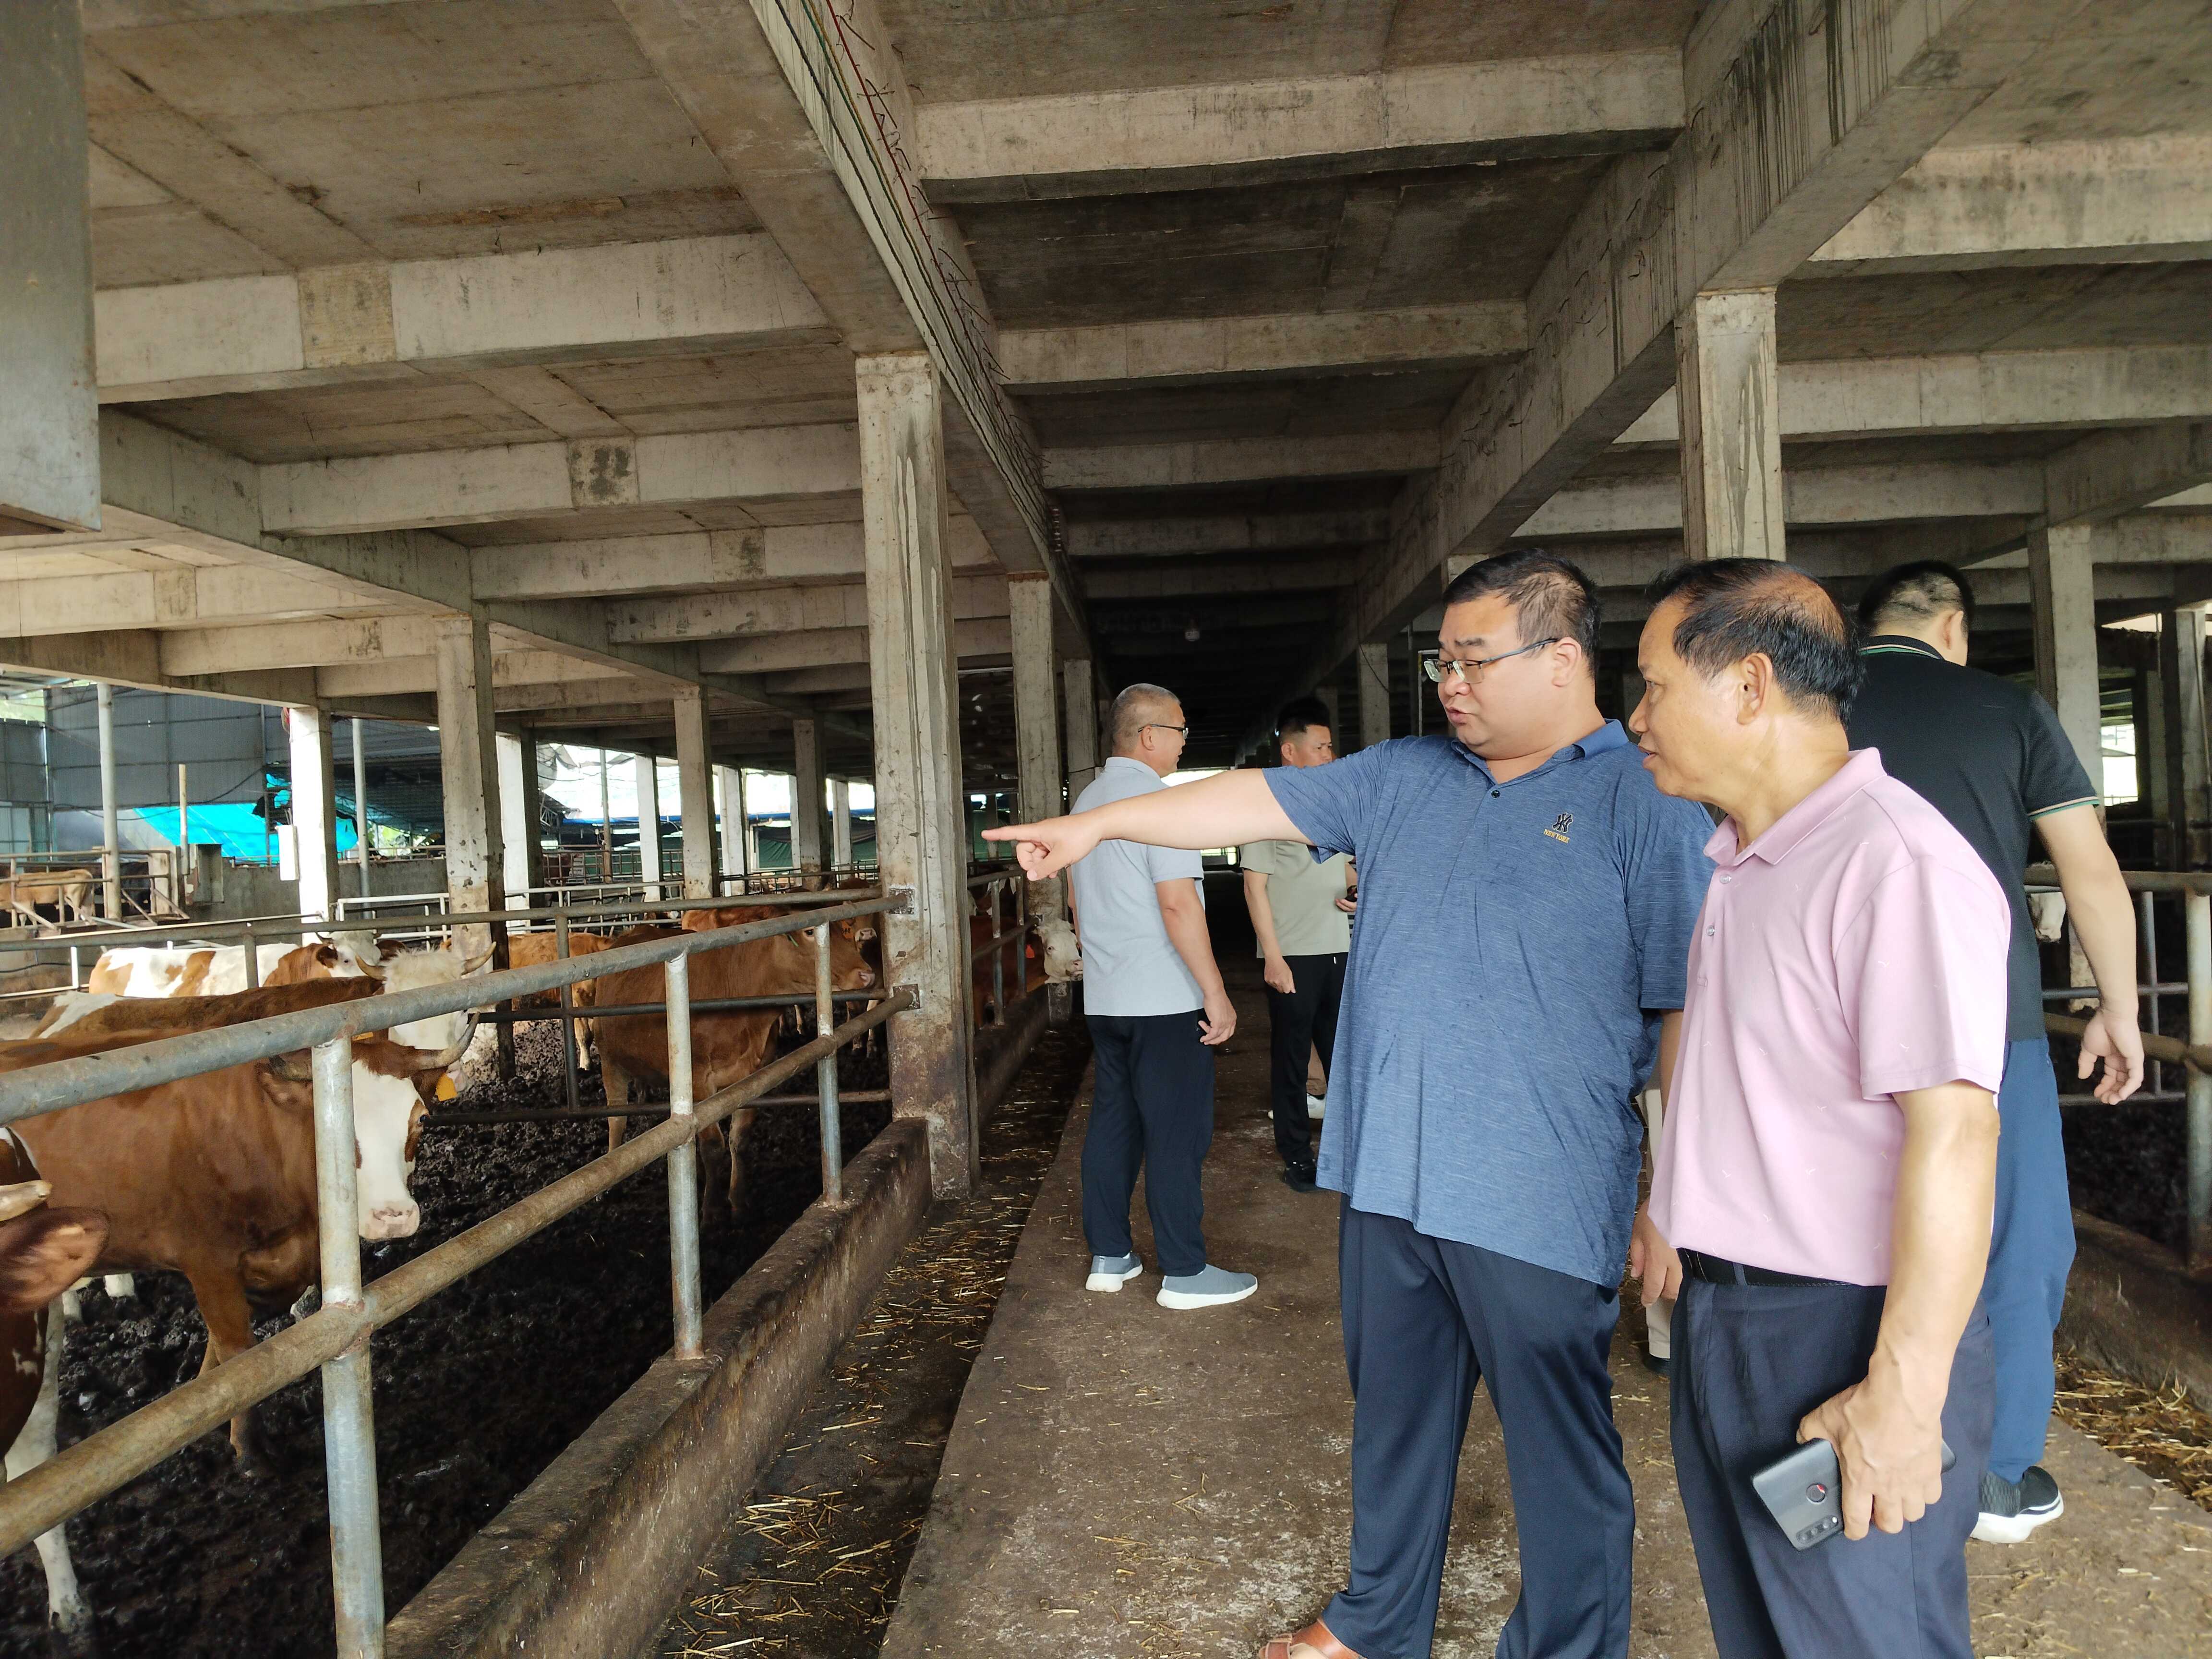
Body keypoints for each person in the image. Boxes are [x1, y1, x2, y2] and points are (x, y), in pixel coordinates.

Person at [987, 550, 1714, 1659]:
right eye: (1442, 661)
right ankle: (1378, 1621)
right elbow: (1250, 796)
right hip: (1389, 1175)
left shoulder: (1646, 801)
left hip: (1538, 1185)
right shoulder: (1403, 773)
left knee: (1559, 1448)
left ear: (1564, 658)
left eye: (1475, 660)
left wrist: (1675, 1191)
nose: (1451, 683)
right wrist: (1102, 827)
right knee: (1395, 1421)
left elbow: (1689, 1010)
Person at [1631, 559, 2009, 1659]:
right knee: (1768, 1624)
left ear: (1749, 685)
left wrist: (1903, 1395)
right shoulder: (1745, 859)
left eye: (1653, 687)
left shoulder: (1893, 862)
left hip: (1841, 1338)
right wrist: (1673, 1208)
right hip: (1732, 1321)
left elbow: (1957, 1131)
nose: (1636, 717)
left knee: (1864, 1633)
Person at [1846, 560, 2144, 1542]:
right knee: (2016, 1238)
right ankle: (1995, 1476)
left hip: (1834, 1027)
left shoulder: (1810, 707)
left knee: (1852, 1232)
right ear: (1953, 627)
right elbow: (2087, 870)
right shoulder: (2008, 711)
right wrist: (2117, 1006)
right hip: (1985, 1025)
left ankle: (1860, 1447)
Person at [1068, 682, 1256, 1311]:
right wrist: (1215, 992)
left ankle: (1110, 1256)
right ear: (1150, 736)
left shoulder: (1087, 803)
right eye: (1179, 731)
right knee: (1176, 1132)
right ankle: (1183, 1271)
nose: (1183, 743)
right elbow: (1178, 905)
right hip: (1164, 1001)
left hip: (1107, 998)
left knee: (1114, 1122)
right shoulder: (1160, 804)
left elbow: (1076, 903)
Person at [1242, 698, 1356, 1193]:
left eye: (1331, 747)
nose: (1331, 756)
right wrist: (1273, 956)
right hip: (1293, 955)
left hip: (1339, 948)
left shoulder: (1333, 805)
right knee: (1291, 1060)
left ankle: (1346, 1153)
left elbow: (1346, 866)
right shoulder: (1265, 807)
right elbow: (1254, 887)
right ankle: (1297, 1155)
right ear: (1290, 751)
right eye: (1321, 747)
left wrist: (1357, 887)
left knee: (1343, 1057)